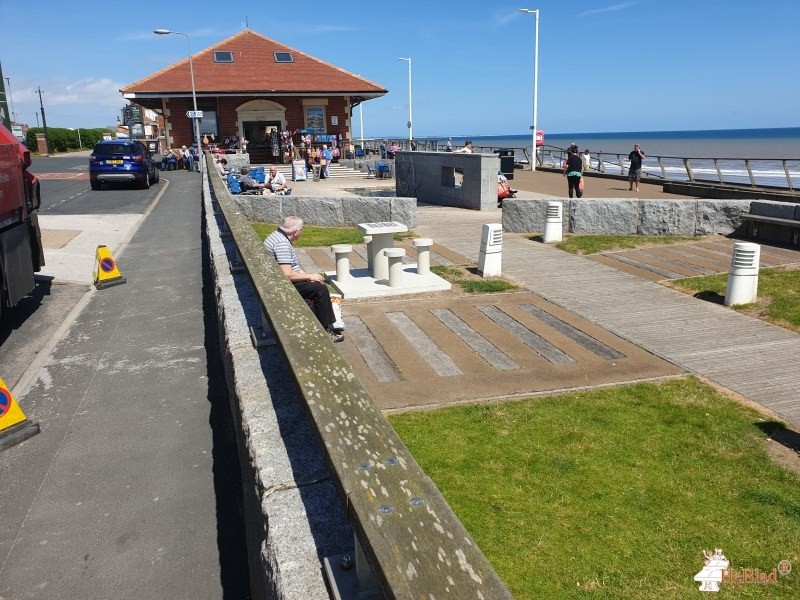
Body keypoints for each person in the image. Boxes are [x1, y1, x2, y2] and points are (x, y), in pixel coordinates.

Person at [264, 216, 344, 343]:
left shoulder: (277, 235)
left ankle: (325, 321)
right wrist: (309, 276)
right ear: (295, 232)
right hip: (280, 283)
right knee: (320, 290)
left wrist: (308, 276)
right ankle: (326, 329)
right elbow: (287, 275)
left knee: (316, 283)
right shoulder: (282, 244)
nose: (301, 233)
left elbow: (292, 267)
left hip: (275, 278)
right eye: (301, 230)